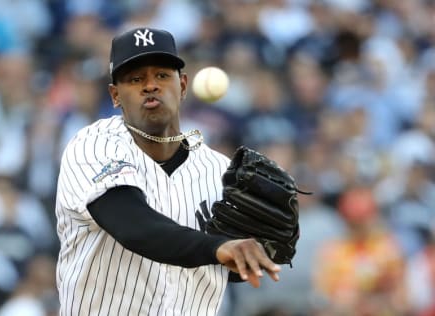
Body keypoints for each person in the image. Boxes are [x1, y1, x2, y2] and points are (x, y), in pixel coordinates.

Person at [54, 27, 281, 316]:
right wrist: (217, 247)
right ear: (115, 95)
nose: (150, 86)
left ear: (183, 85)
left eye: (162, 75)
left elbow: (224, 263)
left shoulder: (220, 172)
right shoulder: (93, 146)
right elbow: (132, 226)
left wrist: (254, 252)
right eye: (135, 79)